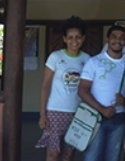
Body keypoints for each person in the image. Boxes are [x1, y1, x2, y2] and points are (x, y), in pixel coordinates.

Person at [78, 26, 125, 161]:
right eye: (114, 37)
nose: (118, 40)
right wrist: (102, 109)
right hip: (95, 117)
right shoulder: (94, 62)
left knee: (113, 157)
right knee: (92, 157)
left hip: (120, 118)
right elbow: (82, 90)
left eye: (122, 38)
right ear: (108, 39)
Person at [36, 16, 91, 161]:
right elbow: (45, 86)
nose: (75, 41)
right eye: (71, 37)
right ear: (64, 39)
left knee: (69, 154)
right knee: (53, 154)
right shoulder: (55, 57)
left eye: (78, 37)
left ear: (83, 38)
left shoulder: (87, 59)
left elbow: (90, 88)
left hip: (78, 112)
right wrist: (43, 114)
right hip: (55, 111)